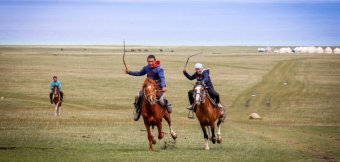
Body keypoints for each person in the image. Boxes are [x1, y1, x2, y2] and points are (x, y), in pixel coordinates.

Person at [126, 55, 172, 121]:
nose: (150, 63)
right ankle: (138, 111)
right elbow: (139, 73)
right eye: (149, 61)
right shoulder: (146, 68)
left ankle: (166, 108)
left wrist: (164, 86)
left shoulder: (159, 68)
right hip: (148, 87)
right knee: (138, 96)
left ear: (155, 61)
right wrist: (129, 72)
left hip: (157, 87)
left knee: (161, 99)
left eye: (152, 61)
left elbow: (162, 78)